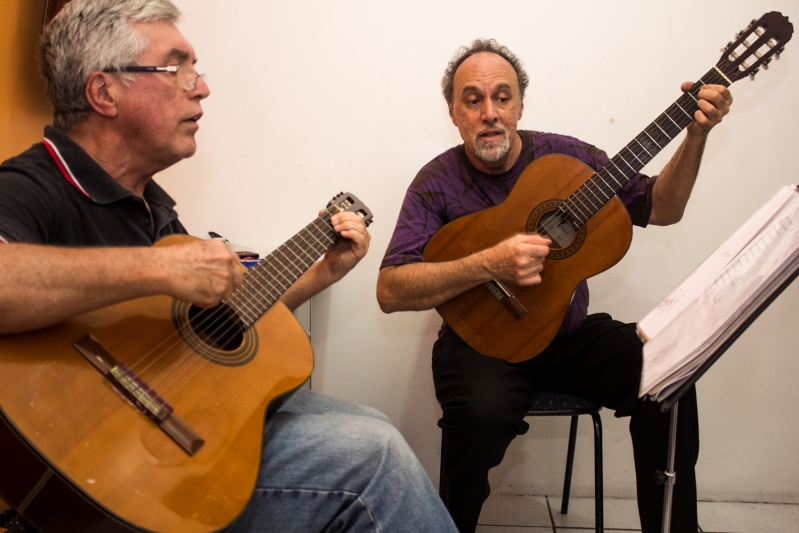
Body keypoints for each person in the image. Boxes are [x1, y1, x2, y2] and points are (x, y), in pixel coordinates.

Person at [0, 1, 458, 532]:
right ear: (104, 93)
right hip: (107, 468)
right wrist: (156, 270)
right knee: (373, 459)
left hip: (169, 425)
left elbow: (211, 328)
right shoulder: (34, 185)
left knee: (372, 424)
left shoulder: (154, 206)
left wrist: (321, 274)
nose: (202, 87)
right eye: (178, 68)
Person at [376, 38, 732, 533]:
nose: (490, 113)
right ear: (454, 113)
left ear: (520, 104)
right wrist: (488, 264)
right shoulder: (436, 182)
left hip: (567, 337)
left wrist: (695, 135)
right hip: (482, 343)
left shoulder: (568, 160)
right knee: (478, 415)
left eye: (502, 97)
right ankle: (450, 524)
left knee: (667, 371)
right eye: (473, 100)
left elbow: (662, 208)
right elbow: (391, 289)